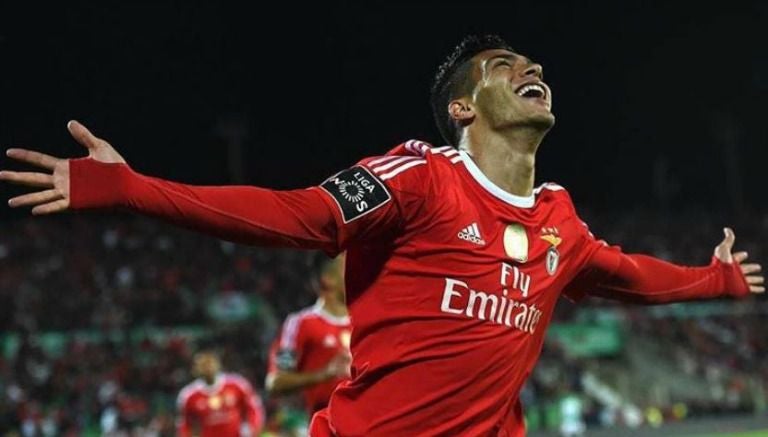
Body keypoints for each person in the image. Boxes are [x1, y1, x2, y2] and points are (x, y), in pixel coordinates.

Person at [1, 34, 763, 436]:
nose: (532, 66)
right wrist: (134, 188)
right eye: (505, 65)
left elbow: (629, 274)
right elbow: (299, 216)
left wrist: (718, 278)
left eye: (533, 62)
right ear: (463, 107)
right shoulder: (416, 177)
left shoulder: (560, 220)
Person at [266, 253, 352, 415]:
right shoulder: (300, 323)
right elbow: (275, 382)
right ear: (328, 279)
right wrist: (324, 374)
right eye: (347, 266)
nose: (357, 271)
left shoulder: (365, 320)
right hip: (329, 429)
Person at [176, 351, 264, 437]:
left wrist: (252, 429)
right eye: (203, 365)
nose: (207, 368)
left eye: (210, 363)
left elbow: (254, 409)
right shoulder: (188, 395)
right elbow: (184, 424)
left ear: (218, 364)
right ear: (195, 369)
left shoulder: (237, 384)